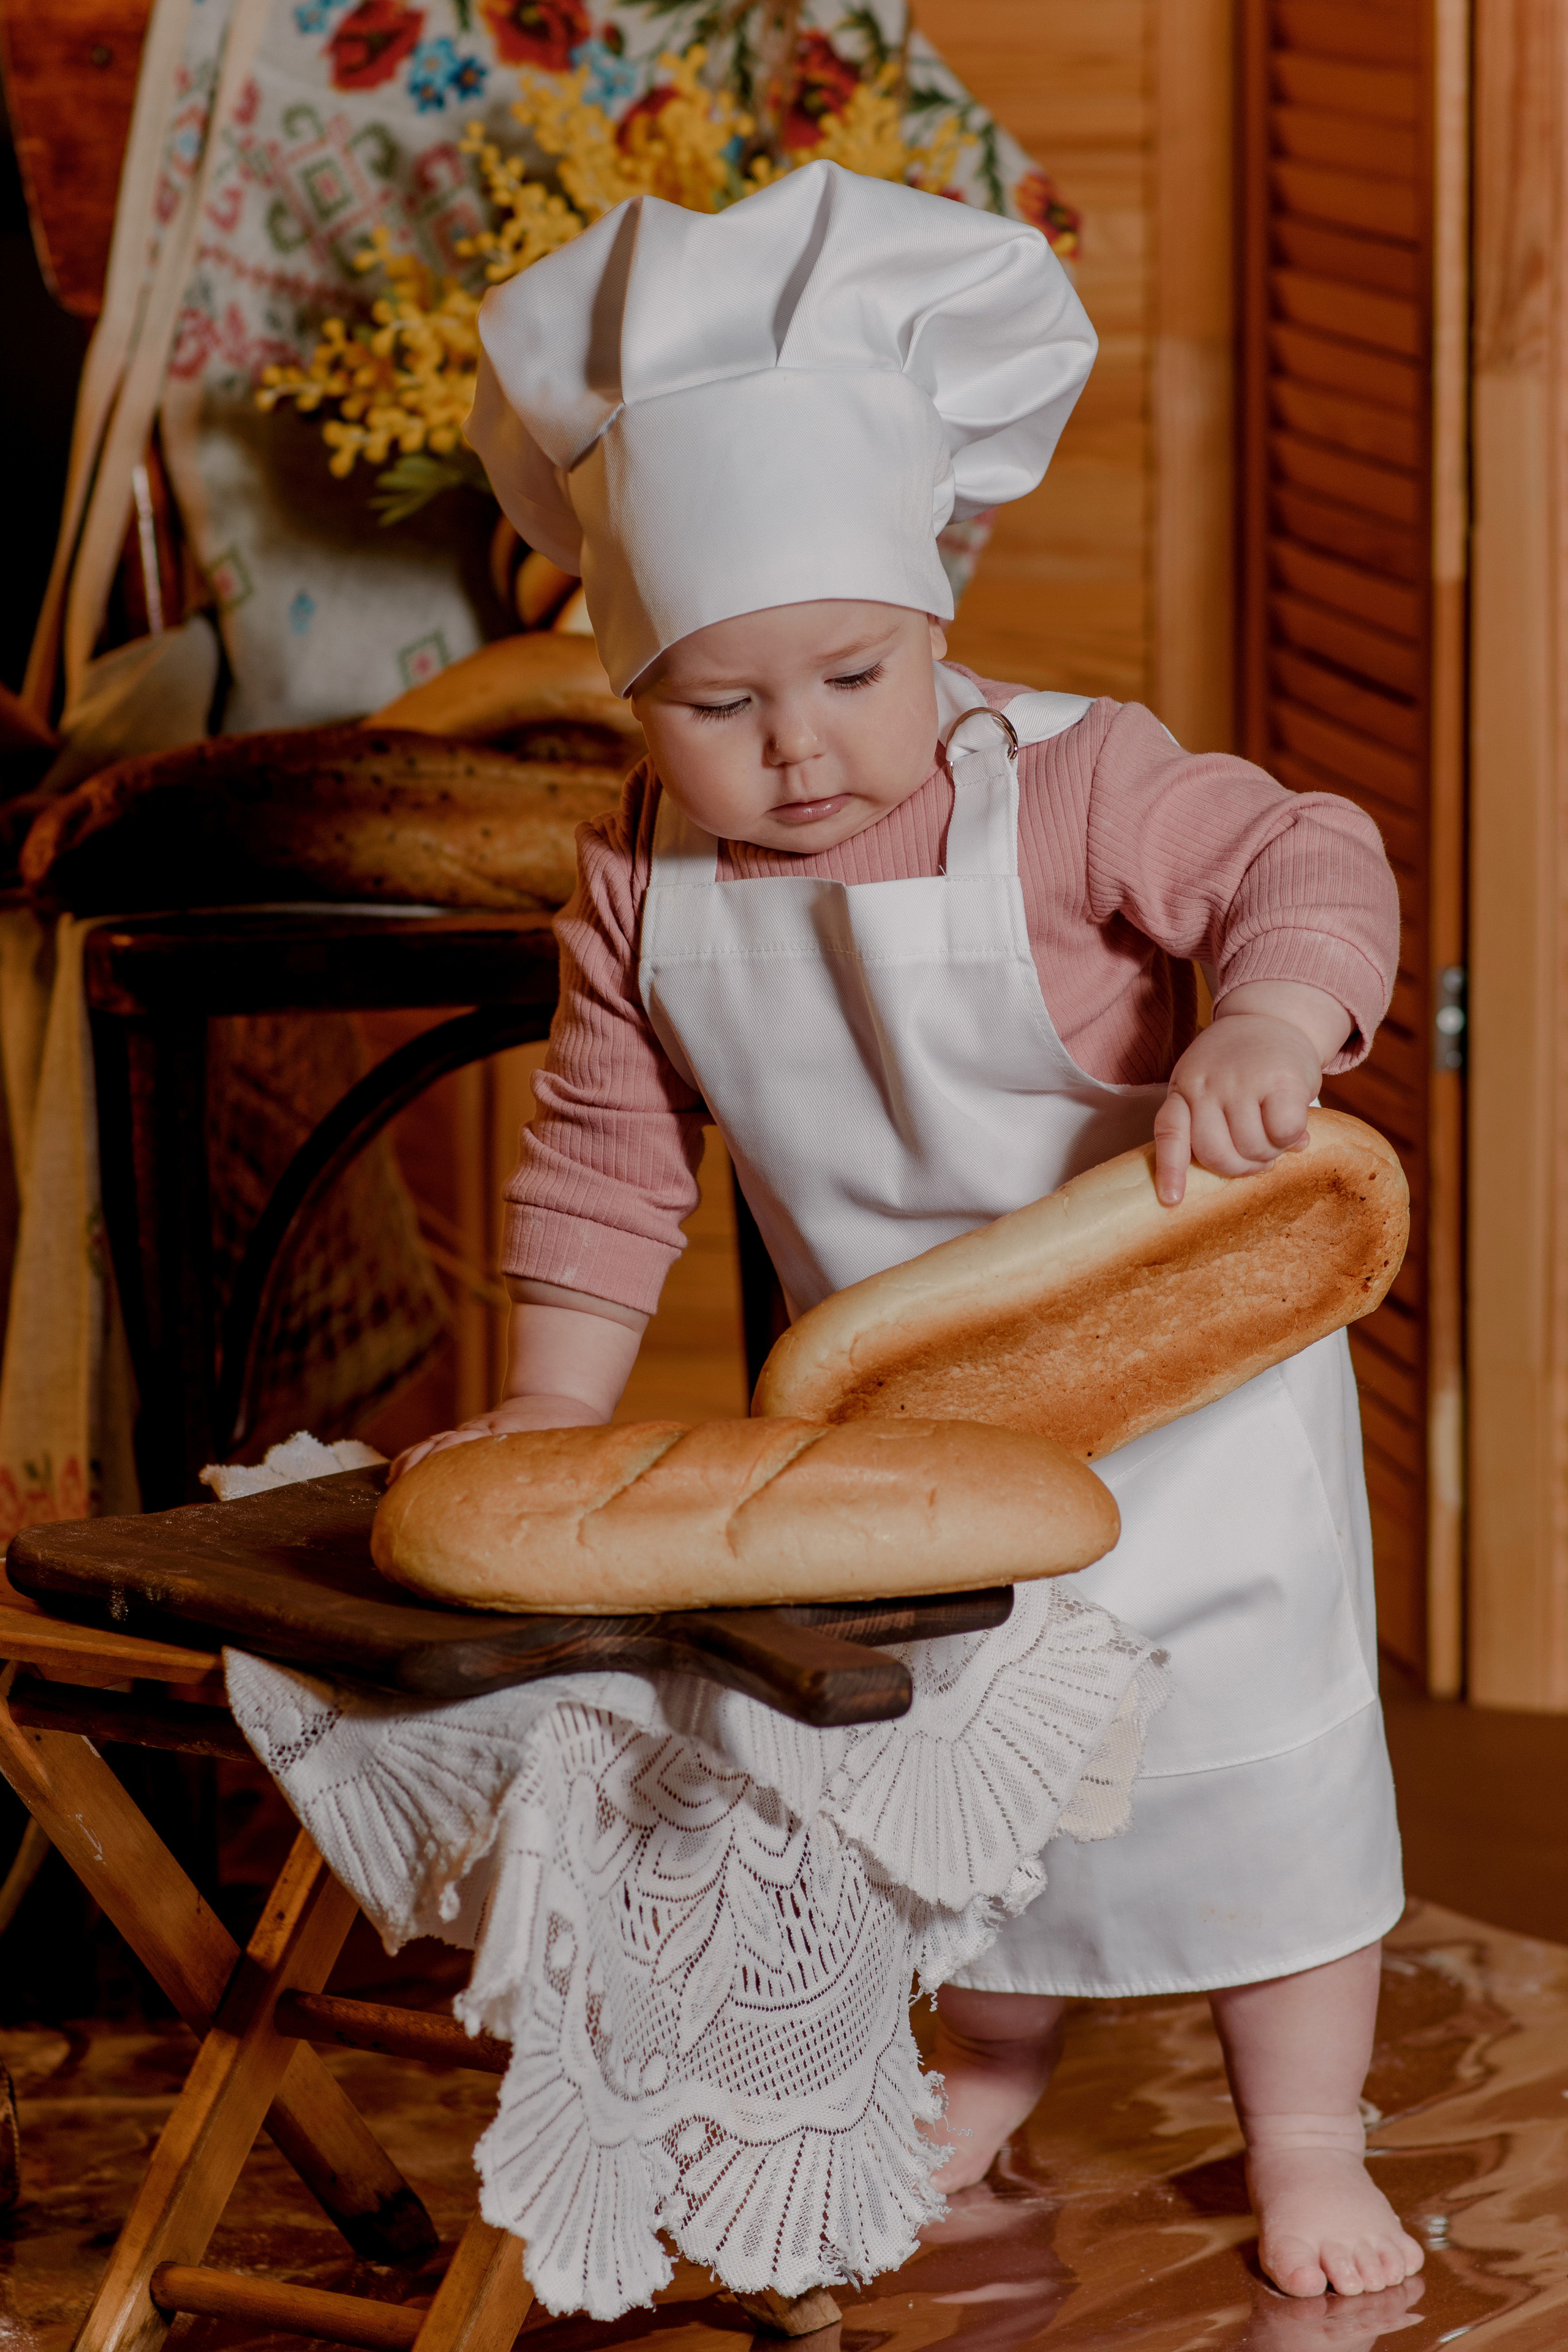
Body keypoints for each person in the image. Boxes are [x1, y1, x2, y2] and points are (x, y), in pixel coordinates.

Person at [395, 160, 1420, 2302]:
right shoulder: (637, 889)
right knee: (957, 1798)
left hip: (1194, 1395)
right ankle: (986, 2073)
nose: (800, 751)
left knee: (1253, 1791)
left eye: (855, 678)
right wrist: (547, 1412)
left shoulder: (1073, 785)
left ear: (935, 612)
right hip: (914, 1434)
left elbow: (1306, 850)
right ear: (624, 692)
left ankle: (1305, 2136)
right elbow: (606, 1161)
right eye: (718, 705)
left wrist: (1273, 1011)